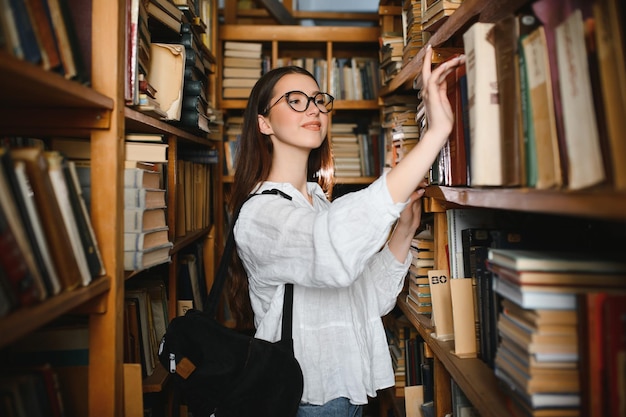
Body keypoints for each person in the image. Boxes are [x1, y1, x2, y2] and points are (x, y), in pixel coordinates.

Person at [226, 45, 466, 416]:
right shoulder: (260, 215)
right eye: (295, 100)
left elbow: (366, 300)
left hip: (349, 391)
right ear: (264, 123)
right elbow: (331, 248)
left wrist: (404, 231)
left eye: (319, 100)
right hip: (305, 400)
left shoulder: (319, 203)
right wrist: (436, 134)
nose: (314, 109)